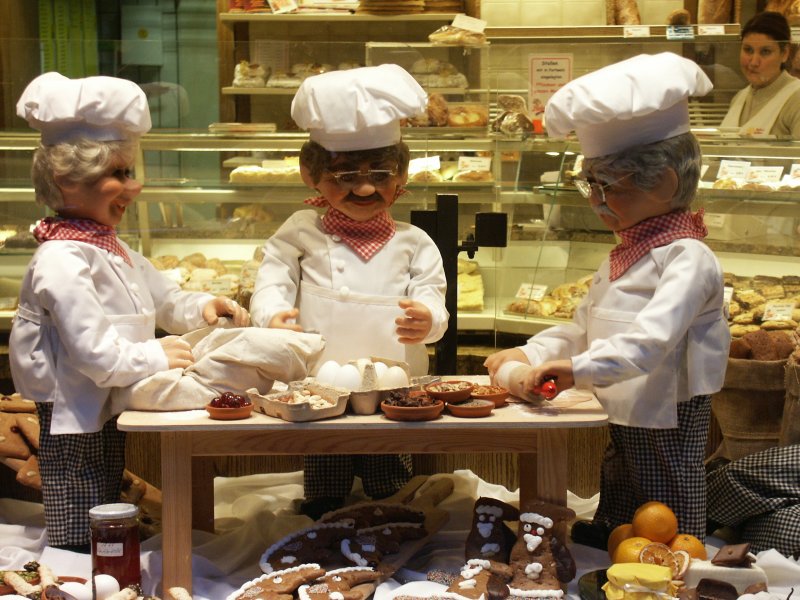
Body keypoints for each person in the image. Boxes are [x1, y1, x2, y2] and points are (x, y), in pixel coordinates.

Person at [484, 52, 731, 549]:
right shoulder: (627, 253)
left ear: (662, 182)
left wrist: (578, 370)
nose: (595, 202)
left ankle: (674, 551)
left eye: (607, 188)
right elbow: (584, 325)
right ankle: (615, 531)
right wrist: (529, 353)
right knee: (620, 467)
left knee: (666, 485)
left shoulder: (688, 257)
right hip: (619, 398)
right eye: (590, 186)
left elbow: (651, 340)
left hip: (668, 405)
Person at [10, 72, 251, 552]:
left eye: (131, 171)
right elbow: (94, 354)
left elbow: (160, 296)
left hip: (104, 395)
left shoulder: (106, 245)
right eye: (118, 174)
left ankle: (105, 551)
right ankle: (76, 556)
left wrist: (202, 306)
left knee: (103, 474)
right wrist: (158, 356)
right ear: (65, 179)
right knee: (77, 481)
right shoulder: (62, 257)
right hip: (72, 402)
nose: (134, 186)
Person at [249, 64, 448, 520]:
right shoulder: (300, 230)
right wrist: (272, 314)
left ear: (402, 176)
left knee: (389, 461)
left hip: (397, 382)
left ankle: (391, 504)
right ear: (311, 175)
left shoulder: (413, 241)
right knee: (324, 451)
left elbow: (434, 297)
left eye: (380, 175)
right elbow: (273, 278)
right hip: (319, 380)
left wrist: (428, 320)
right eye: (344, 176)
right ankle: (322, 506)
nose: (364, 187)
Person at [720, 11, 800, 138]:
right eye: (748, 50)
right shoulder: (739, 97)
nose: (753, 62)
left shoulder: (796, 99)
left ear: (784, 53)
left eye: (765, 52)